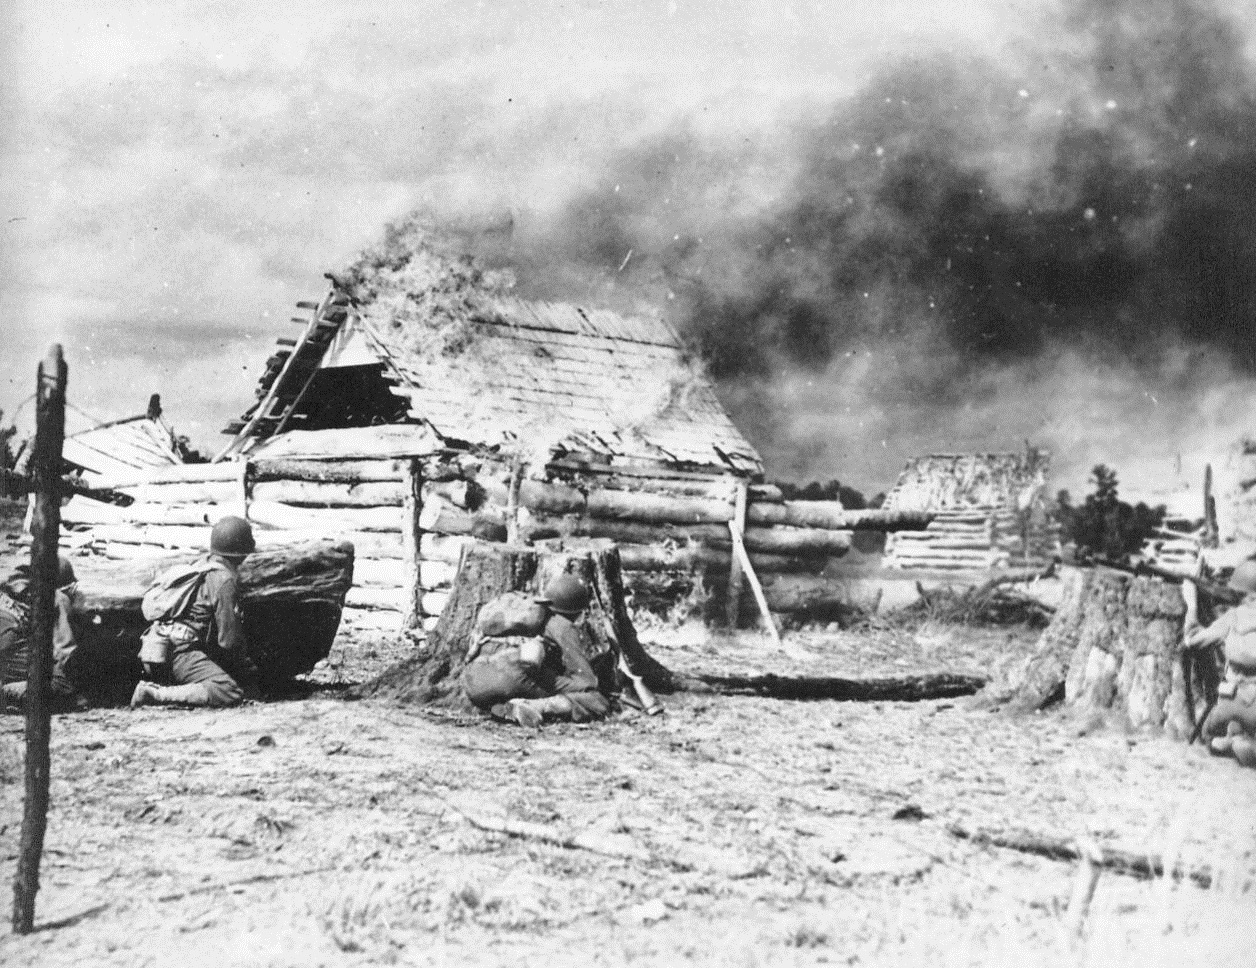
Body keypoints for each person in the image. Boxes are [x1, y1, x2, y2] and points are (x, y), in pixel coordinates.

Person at [130, 516, 260, 709]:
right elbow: (229, 641)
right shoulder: (223, 580)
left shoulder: (201, 565)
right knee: (228, 690)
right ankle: (155, 695)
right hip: (179, 653)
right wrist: (248, 669)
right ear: (241, 552)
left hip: (156, 648)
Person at [462, 574, 611, 727]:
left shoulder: (524, 614)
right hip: (514, 677)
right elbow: (586, 682)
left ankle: (503, 707)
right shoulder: (562, 625)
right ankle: (536, 706)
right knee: (596, 700)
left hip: (473, 681)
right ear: (577, 610)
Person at [1185, 559, 1256, 767]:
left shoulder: (1233, 617)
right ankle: (1244, 739)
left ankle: (1230, 737)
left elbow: (1192, 641)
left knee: (1208, 735)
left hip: (1229, 701)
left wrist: (1191, 604)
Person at [1, 556, 88, 712]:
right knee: (65, 688)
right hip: (24, 683)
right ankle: (12, 697)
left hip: (9, 675)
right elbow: (66, 652)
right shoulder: (55, 597)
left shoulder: (8, 596)